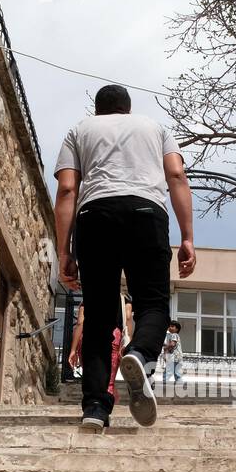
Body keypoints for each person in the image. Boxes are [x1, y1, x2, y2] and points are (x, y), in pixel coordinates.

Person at [54, 84, 196, 431]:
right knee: (153, 305)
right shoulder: (155, 128)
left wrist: (64, 250)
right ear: (127, 109)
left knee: (100, 316)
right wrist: (188, 237)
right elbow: (176, 175)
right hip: (147, 213)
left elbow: (68, 188)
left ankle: (95, 409)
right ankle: (139, 353)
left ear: (99, 109)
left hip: (95, 216)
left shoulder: (79, 130)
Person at [157, 320, 184, 385]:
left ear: (177, 329)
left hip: (174, 356)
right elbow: (170, 345)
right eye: (169, 326)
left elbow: (172, 344)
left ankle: (165, 380)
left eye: (172, 326)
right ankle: (179, 381)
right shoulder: (172, 335)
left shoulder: (174, 335)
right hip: (178, 357)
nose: (170, 327)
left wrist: (166, 347)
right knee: (177, 371)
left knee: (169, 369)